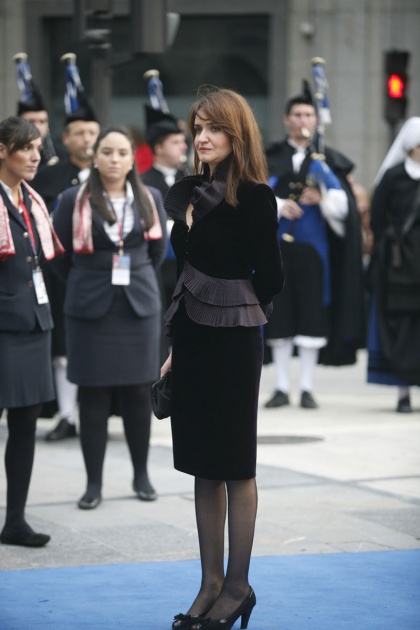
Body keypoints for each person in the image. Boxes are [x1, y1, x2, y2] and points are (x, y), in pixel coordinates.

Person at [160, 87, 284, 630]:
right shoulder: (190, 191)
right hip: (190, 337)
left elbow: (273, 275)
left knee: (234, 463)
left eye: (214, 128)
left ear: (238, 134)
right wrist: (173, 352)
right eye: (198, 127)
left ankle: (238, 586)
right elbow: (181, 269)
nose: (202, 137)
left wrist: (240, 306)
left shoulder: (255, 196)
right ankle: (209, 584)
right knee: (202, 463)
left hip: (234, 340)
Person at [50, 126, 167, 509]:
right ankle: (93, 484)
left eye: (121, 153)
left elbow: (156, 252)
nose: (114, 159)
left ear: (133, 159)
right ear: (95, 157)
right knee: (94, 394)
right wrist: (90, 279)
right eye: (107, 152)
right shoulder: (73, 198)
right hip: (89, 306)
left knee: (138, 390)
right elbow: (60, 255)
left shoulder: (150, 197)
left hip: (138, 305)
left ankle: (141, 475)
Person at [263, 85, 364, 409]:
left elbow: (343, 208)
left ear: (316, 119)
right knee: (279, 316)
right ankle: (280, 386)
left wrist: (322, 194)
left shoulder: (326, 160)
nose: (302, 119)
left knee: (311, 315)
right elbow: (252, 195)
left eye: (308, 114)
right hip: (276, 249)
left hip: (314, 252)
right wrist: (278, 205)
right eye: (297, 114)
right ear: (286, 120)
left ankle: (306, 387)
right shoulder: (271, 156)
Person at [0, 116, 64, 546]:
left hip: (34, 323)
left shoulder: (33, 201)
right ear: (2, 151)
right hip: (3, 327)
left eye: (38, 148)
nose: (35, 156)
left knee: (25, 423)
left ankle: (15, 521)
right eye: (26, 148)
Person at [31, 61, 101, 441]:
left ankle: (96, 413)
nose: (87, 139)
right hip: (61, 272)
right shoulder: (48, 177)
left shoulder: (112, 176)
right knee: (62, 346)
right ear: (67, 137)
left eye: (92, 131)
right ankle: (66, 414)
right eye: (79, 133)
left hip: (102, 272)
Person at [367, 117, 420, 413]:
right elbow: (377, 218)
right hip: (398, 265)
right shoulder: (393, 177)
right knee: (400, 326)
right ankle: (403, 391)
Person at [141, 107, 190, 362]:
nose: (183, 146)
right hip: (160, 268)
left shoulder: (191, 178)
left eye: (183, 141)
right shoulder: (143, 182)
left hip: (189, 266)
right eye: (176, 142)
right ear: (158, 148)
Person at [14, 52, 61, 169]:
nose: (37, 127)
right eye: (31, 121)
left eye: (42, 121)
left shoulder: (61, 156)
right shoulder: (8, 155)